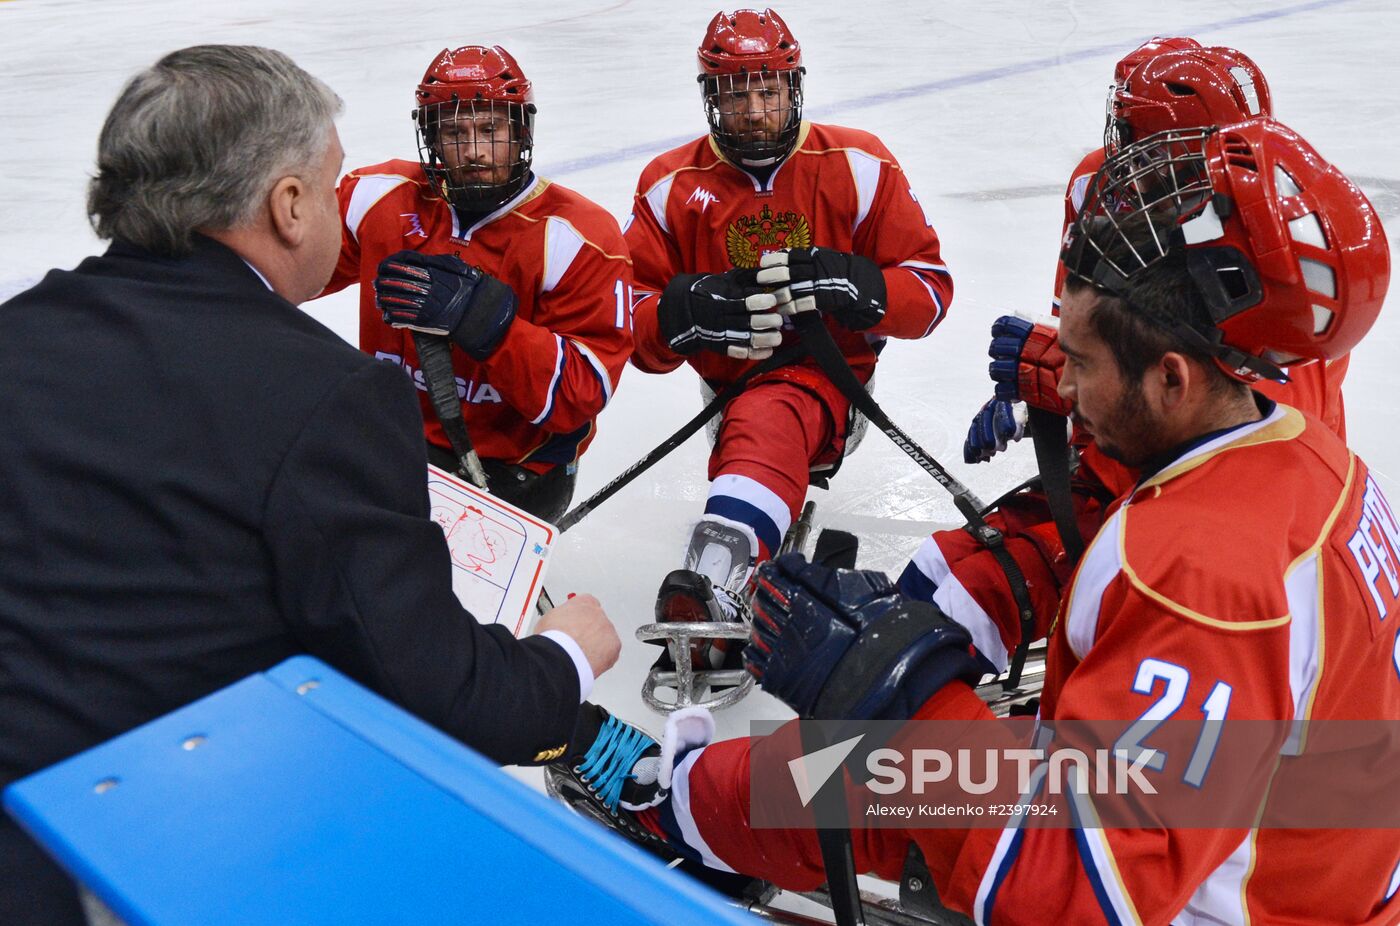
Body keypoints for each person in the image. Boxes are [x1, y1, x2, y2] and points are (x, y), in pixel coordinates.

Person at [561, 117, 1399, 924]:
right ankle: (687, 795)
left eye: (1079, 365)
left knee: (884, 764)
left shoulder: (1197, 575)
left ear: (1173, 380)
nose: (1061, 393)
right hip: (1270, 845)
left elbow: (1072, 888)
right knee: (878, 769)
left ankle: (676, 802)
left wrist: (904, 697)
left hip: (1223, 896)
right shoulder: (1310, 461)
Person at [0, 45, 620, 925]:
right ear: (288, 206)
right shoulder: (331, 399)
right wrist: (561, 657)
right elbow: (441, 702)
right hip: (124, 860)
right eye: (329, 187)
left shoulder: (18, 333)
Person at [914, 39, 1360, 680]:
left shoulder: (1278, 267)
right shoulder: (1101, 187)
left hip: (1208, 513)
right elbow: (1108, 337)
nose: (1121, 165)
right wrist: (1057, 383)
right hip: (1123, 461)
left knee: (934, 633)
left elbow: (1223, 437)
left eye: (1136, 141)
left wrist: (1048, 372)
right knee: (926, 585)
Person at [625, 8, 954, 708]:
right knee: (754, 417)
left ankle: (717, 585)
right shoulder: (668, 185)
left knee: (770, 414)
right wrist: (681, 312)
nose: (753, 109)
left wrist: (859, 285)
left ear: (793, 86)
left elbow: (931, 291)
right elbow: (629, 325)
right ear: (711, 95)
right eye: (736, 92)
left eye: (767, 89)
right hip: (724, 389)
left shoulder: (858, 165)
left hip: (830, 383)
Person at [320, 45, 633, 523]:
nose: (472, 151)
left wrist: (491, 326)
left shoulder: (578, 236)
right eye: (453, 131)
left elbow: (581, 392)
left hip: (514, 472)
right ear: (431, 137)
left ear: (520, 130)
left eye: (490, 129)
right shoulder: (377, 197)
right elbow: (278, 270)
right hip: (393, 446)